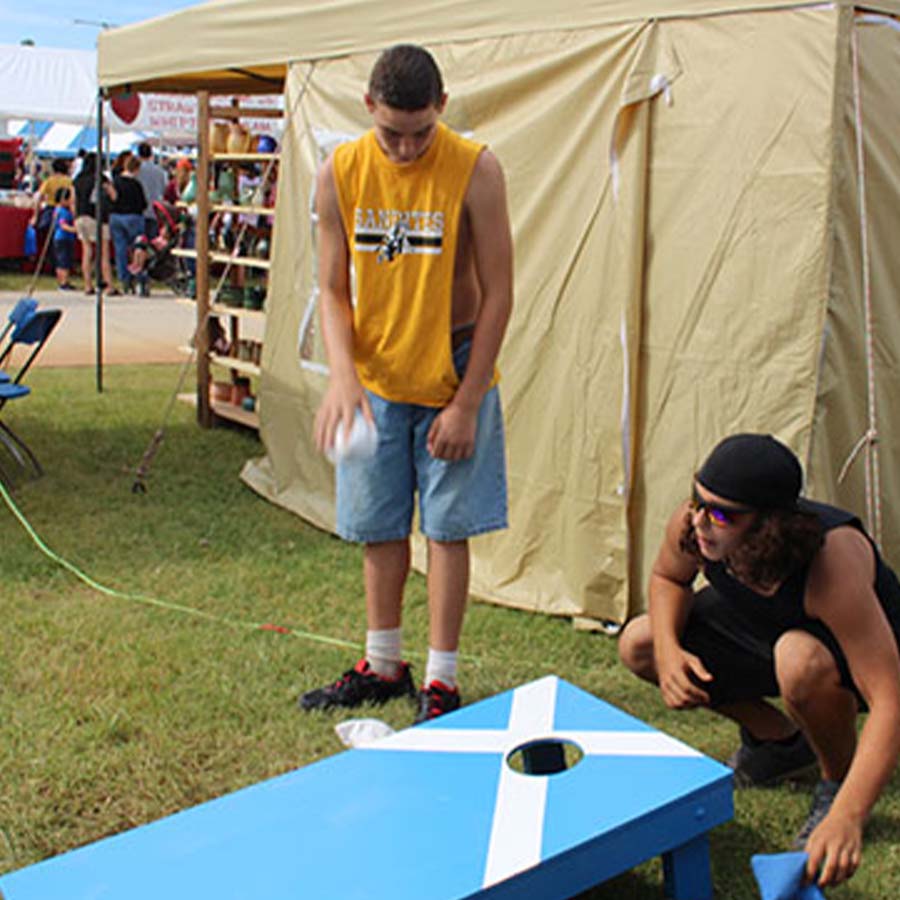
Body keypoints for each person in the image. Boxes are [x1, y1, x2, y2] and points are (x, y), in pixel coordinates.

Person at [300, 44, 513, 724]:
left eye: (420, 131)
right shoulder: (341, 171)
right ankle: (384, 664)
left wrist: (468, 399)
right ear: (368, 108)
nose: (404, 146)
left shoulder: (475, 169)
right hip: (377, 373)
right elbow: (333, 289)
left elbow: (501, 293)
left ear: (441, 108)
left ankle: (442, 680)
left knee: (449, 528)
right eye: (392, 130)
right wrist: (342, 375)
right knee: (379, 524)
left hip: (455, 366)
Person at [617, 433, 900, 890]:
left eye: (723, 513)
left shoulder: (833, 561)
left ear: (770, 524)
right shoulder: (694, 525)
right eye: (697, 500)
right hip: (762, 636)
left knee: (798, 659)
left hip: (844, 659)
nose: (702, 520)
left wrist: (849, 814)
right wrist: (669, 652)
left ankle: (835, 782)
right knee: (641, 641)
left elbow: (890, 699)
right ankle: (781, 745)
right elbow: (668, 577)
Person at [73, 152, 115, 295]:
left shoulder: (77, 180)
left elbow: (73, 200)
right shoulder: (100, 178)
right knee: (103, 252)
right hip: (97, 217)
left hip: (80, 216)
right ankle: (108, 284)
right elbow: (113, 195)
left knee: (87, 251)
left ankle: (87, 285)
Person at [109, 154, 149, 296]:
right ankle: (138, 275)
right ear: (136, 168)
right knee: (138, 248)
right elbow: (144, 204)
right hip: (134, 216)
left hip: (116, 217)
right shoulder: (136, 184)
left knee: (120, 249)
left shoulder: (115, 182)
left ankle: (124, 278)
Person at [136, 142, 167, 239]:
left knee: (139, 243)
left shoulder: (136, 171)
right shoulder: (160, 171)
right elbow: (163, 189)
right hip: (155, 210)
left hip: (139, 211)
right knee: (152, 243)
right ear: (151, 154)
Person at [51, 187, 77, 291]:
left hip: (65, 238)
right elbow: (63, 225)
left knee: (65, 259)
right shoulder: (61, 211)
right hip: (63, 238)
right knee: (63, 260)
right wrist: (74, 229)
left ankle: (64, 281)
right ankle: (63, 282)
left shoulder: (62, 210)